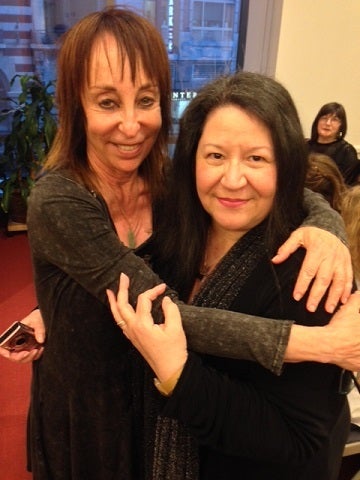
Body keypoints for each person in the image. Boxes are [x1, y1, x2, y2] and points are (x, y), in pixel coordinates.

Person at [17, 6, 360, 480]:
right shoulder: (60, 198)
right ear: (76, 106)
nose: (132, 125)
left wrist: (328, 227)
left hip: (151, 405)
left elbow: (279, 185)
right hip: (90, 409)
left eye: (146, 99)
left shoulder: (165, 184)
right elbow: (166, 312)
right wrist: (315, 344)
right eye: (108, 102)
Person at [107, 72, 358, 479]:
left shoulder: (312, 269)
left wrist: (179, 374)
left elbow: (296, 439)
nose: (233, 179)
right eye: (215, 156)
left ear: (287, 164)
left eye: (256, 158)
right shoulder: (177, 230)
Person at [307, 102, 360, 186]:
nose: (328, 123)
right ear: (317, 121)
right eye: (324, 118)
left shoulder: (346, 151)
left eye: (334, 120)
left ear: (341, 126)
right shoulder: (305, 146)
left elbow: (345, 186)